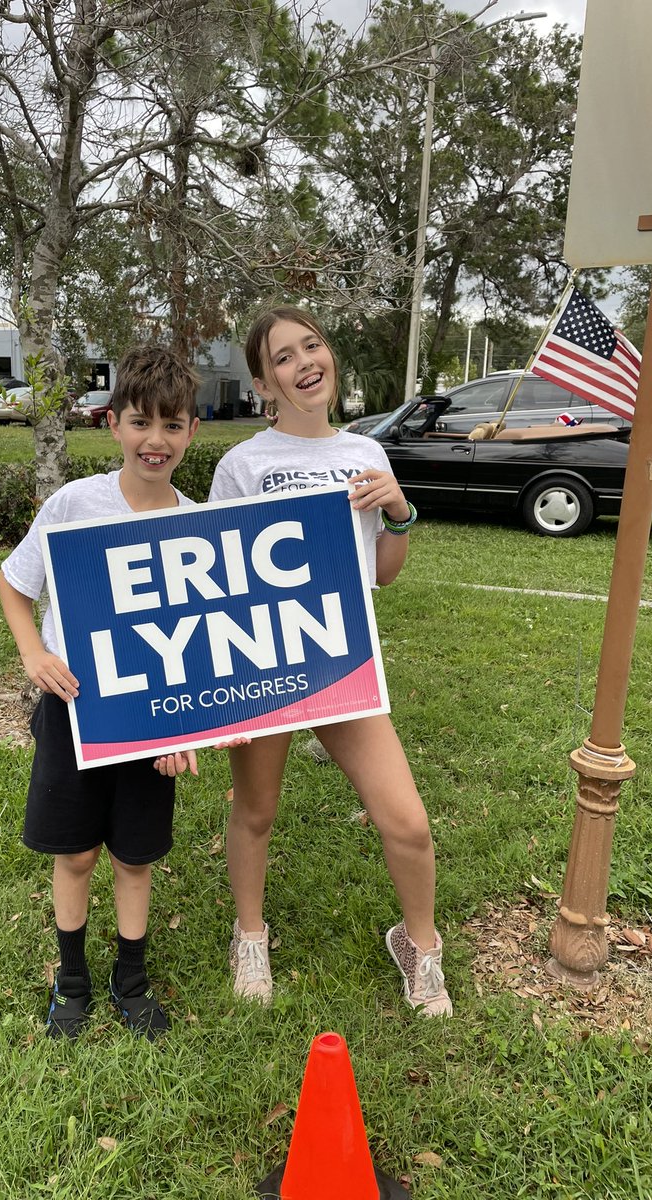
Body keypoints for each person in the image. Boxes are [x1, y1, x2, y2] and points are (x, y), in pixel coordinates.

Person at [209, 305, 452, 1017]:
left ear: (330, 357)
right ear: (263, 381)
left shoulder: (367, 454)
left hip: (342, 664)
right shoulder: (242, 464)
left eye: (311, 346)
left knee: (406, 821)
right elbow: (220, 583)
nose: (303, 362)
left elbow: (383, 573)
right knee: (255, 811)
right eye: (283, 356)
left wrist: (400, 512)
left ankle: (418, 944)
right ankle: (249, 933)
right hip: (262, 668)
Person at [0, 344, 205, 1042]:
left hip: (153, 721)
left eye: (172, 426)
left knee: (134, 857)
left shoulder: (198, 525)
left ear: (192, 432)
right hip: (75, 710)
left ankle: (132, 979)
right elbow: (14, 584)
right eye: (142, 422)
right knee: (77, 854)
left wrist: (188, 733)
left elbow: (201, 649)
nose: (156, 440)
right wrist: (34, 653)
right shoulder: (74, 503)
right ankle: (73, 979)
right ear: (113, 423)